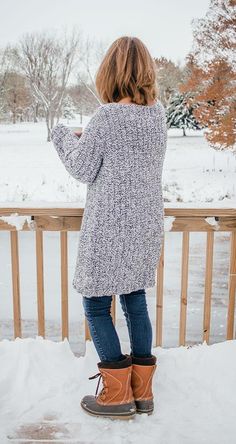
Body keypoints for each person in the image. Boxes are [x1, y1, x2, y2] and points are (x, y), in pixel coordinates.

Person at [51, 36, 167, 420]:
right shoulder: (158, 115)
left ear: (109, 73)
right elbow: (126, 152)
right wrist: (93, 141)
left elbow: (84, 168)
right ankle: (143, 392)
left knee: (96, 303)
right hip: (144, 225)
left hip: (109, 226)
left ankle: (116, 396)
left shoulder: (105, 118)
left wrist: (63, 136)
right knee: (135, 300)